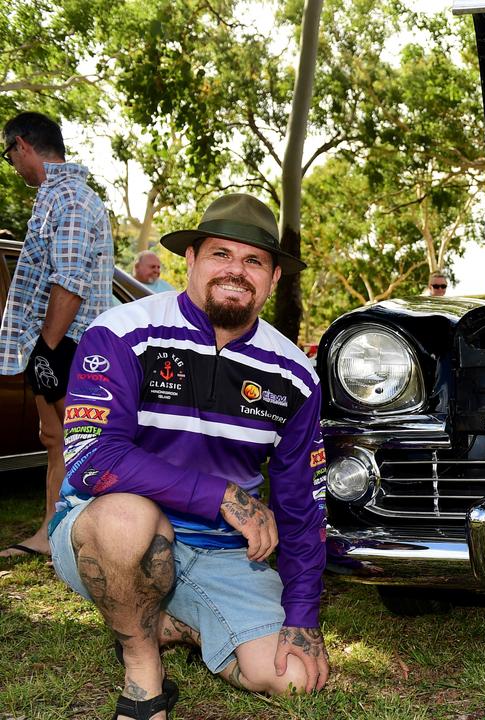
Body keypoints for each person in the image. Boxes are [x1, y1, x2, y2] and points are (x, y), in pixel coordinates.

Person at [47, 193, 329, 719]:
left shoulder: (294, 374)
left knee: (293, 678)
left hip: (223, 554)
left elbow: (301, 503)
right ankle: (142, 665)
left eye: (254, 261)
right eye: (221, 254)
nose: (236, 271)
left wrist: (303, 614)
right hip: (112, 533)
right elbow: (90, 456)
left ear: (271, 279)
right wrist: (219, 494)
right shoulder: (121, 332)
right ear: (192, 259)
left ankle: (170, 620)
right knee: (129, 517)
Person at [0, 111, 114, 559]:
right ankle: (51, 534)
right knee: (56, 438)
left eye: (8, 153)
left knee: (78, 441)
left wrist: (48, 349)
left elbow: (69, 280)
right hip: (54, 341)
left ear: (23, 144)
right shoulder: (55, 196)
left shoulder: (70, 197)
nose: (10, 163)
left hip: (69, 340)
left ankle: (90, 538)